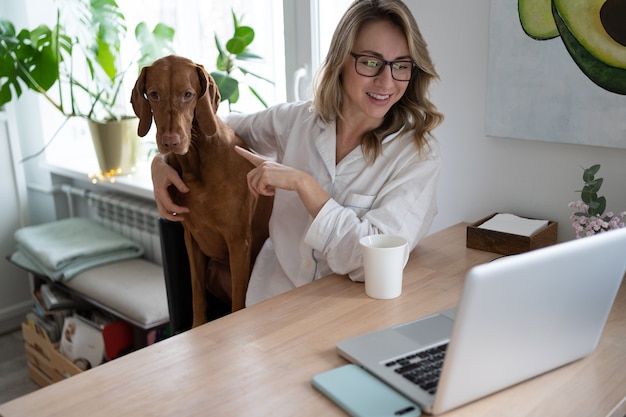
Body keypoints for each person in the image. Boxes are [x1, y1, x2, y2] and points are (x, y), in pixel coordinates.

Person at [151, 0, 444, 306]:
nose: (386, 81)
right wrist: (162, 160)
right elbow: (216, 130)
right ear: (341, 61)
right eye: (370, 62)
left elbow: (369, 265)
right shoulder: (299, 120)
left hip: (347, 312)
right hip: (269, 301)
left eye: (401, 65)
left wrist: (304, 185)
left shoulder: (418, 157)